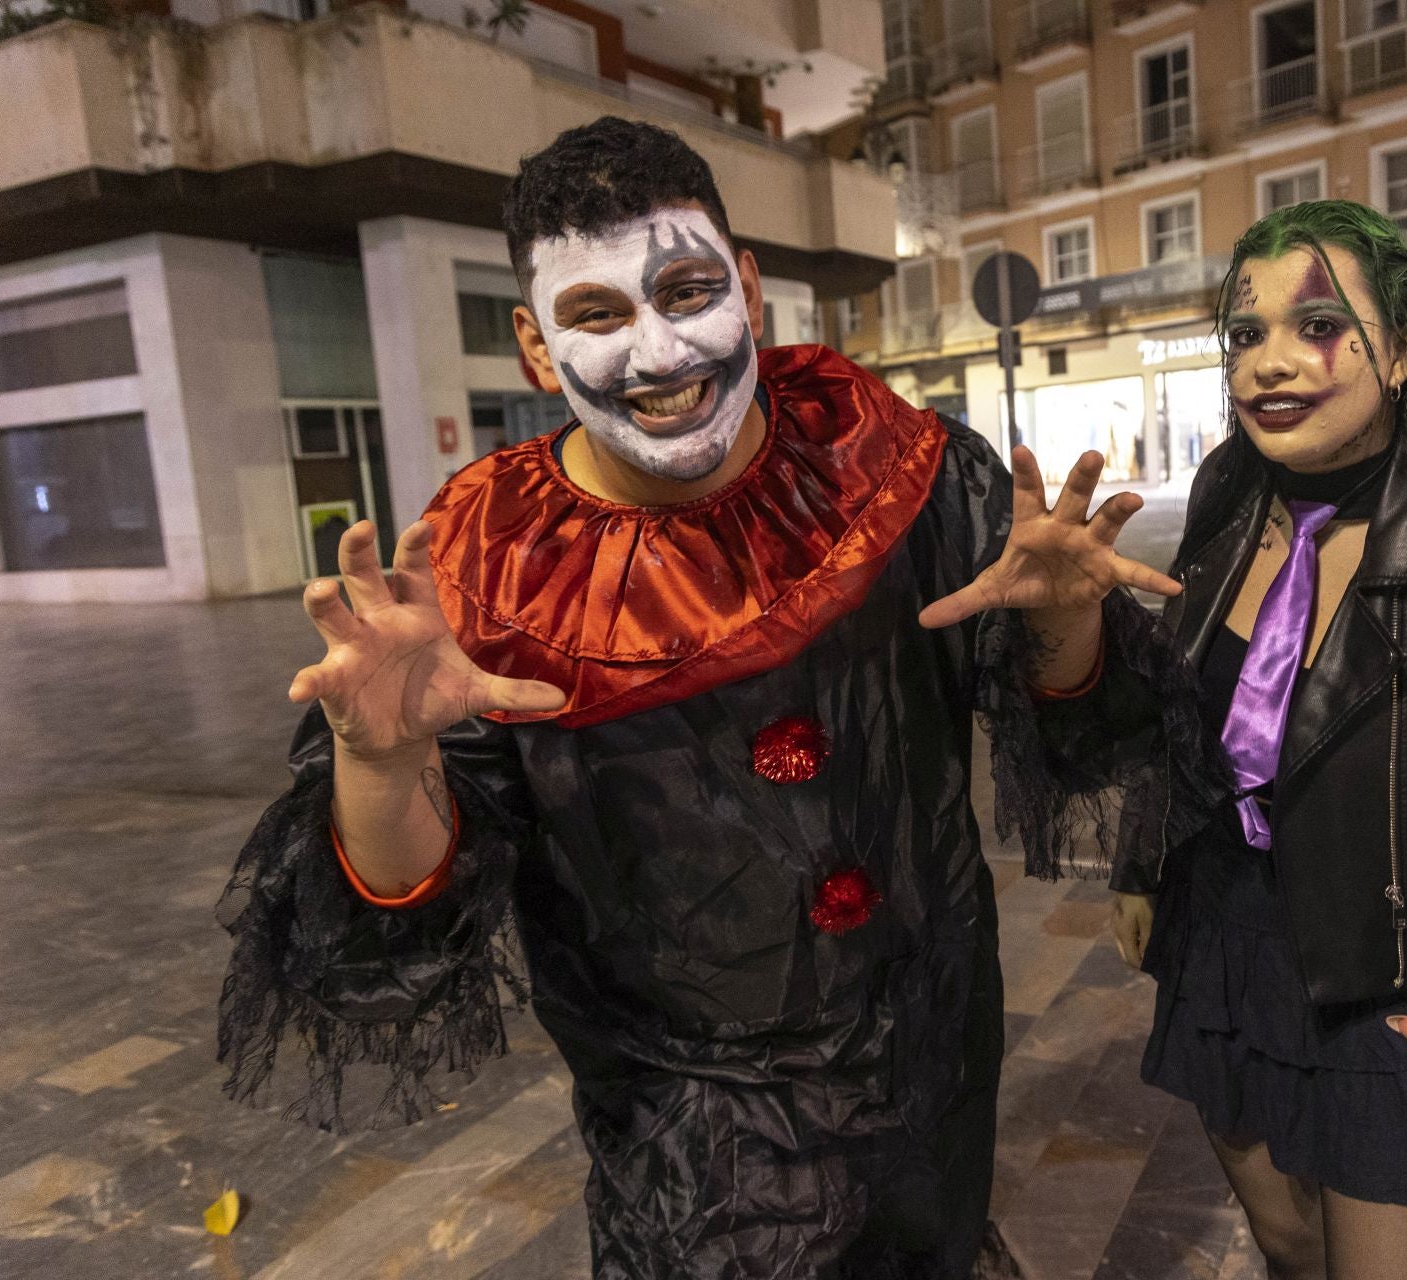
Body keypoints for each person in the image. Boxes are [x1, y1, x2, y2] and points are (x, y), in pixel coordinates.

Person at [215, 118, 1058, 1279]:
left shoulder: (891, 465)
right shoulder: (482, 575)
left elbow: (1067, 724)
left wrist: (1067, 619)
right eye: (598, 314)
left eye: (688, 290)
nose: (659, 354)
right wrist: (378, 758)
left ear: (751, 290)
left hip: (938, 1065)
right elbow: (402, 922)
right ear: (531, 343)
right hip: (692, 1149)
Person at [927, 201, 1407, 1280]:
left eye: (1316, 326)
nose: (1269, 363)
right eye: (1246, 335)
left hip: (1389, 972)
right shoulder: (1225, 492)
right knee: (1292, 1245)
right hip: (1228, 937)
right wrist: (1071, 642)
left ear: (1399, 350)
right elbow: (1175, 724)